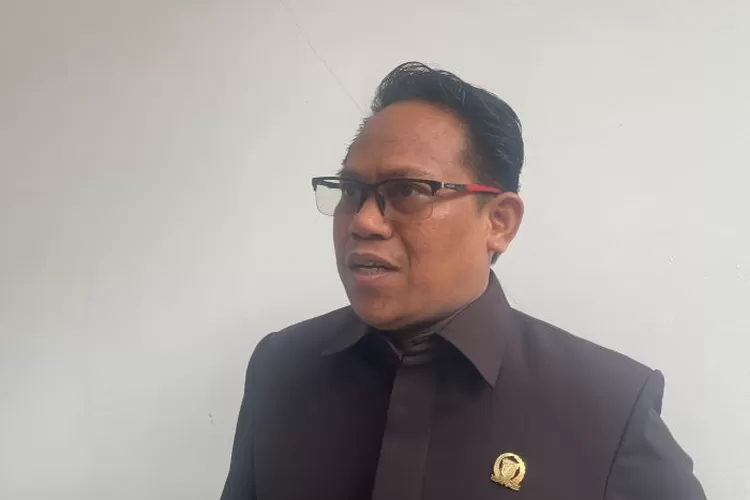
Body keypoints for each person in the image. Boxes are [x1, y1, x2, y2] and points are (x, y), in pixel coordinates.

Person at [220, 62, 706, 500]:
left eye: (407, 190)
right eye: (351, 190)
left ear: (499, 222)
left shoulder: (608, 407)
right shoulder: (282, 367)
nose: (364, 221)